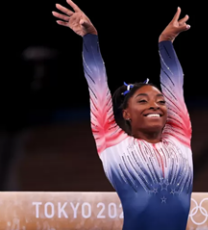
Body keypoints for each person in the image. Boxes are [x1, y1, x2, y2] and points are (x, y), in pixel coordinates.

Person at [53, 1, 193, 229]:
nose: (155, 105)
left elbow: (175, 83)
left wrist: (166, 43)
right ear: (126, 113)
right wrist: (90, 37)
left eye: (159, 101)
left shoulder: (180, 136)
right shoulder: (111, 140)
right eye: (143, 101)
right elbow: (96, 82)